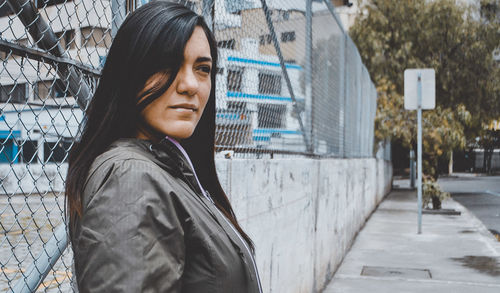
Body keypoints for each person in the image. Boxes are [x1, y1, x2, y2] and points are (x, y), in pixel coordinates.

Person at [65, 2, 262, 292]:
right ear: (129, 72)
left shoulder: (166, 167)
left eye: (203, 68)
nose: (190, 85)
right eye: (166, 65)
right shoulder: (130, 178)